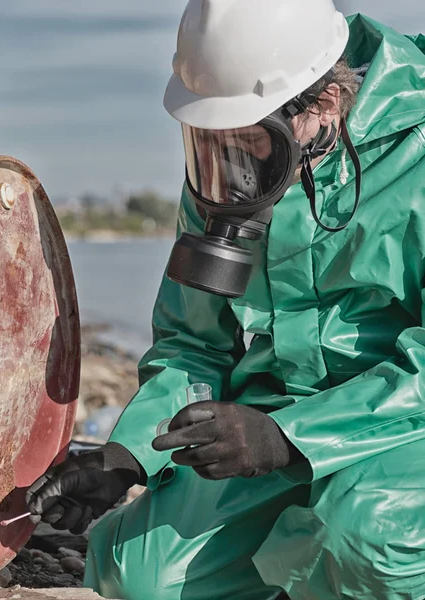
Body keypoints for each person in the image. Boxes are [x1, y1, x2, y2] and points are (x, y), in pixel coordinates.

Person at [26, 1, 425, 598]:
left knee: (367, 543)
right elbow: (193, 339)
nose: (229, 166)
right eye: (208, 138)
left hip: (401, 434)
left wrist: (289, 438)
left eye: (247, 141)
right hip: (277, 429)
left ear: (324, 105)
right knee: (139, 578)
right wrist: (129, 455)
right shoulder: (225, 177)